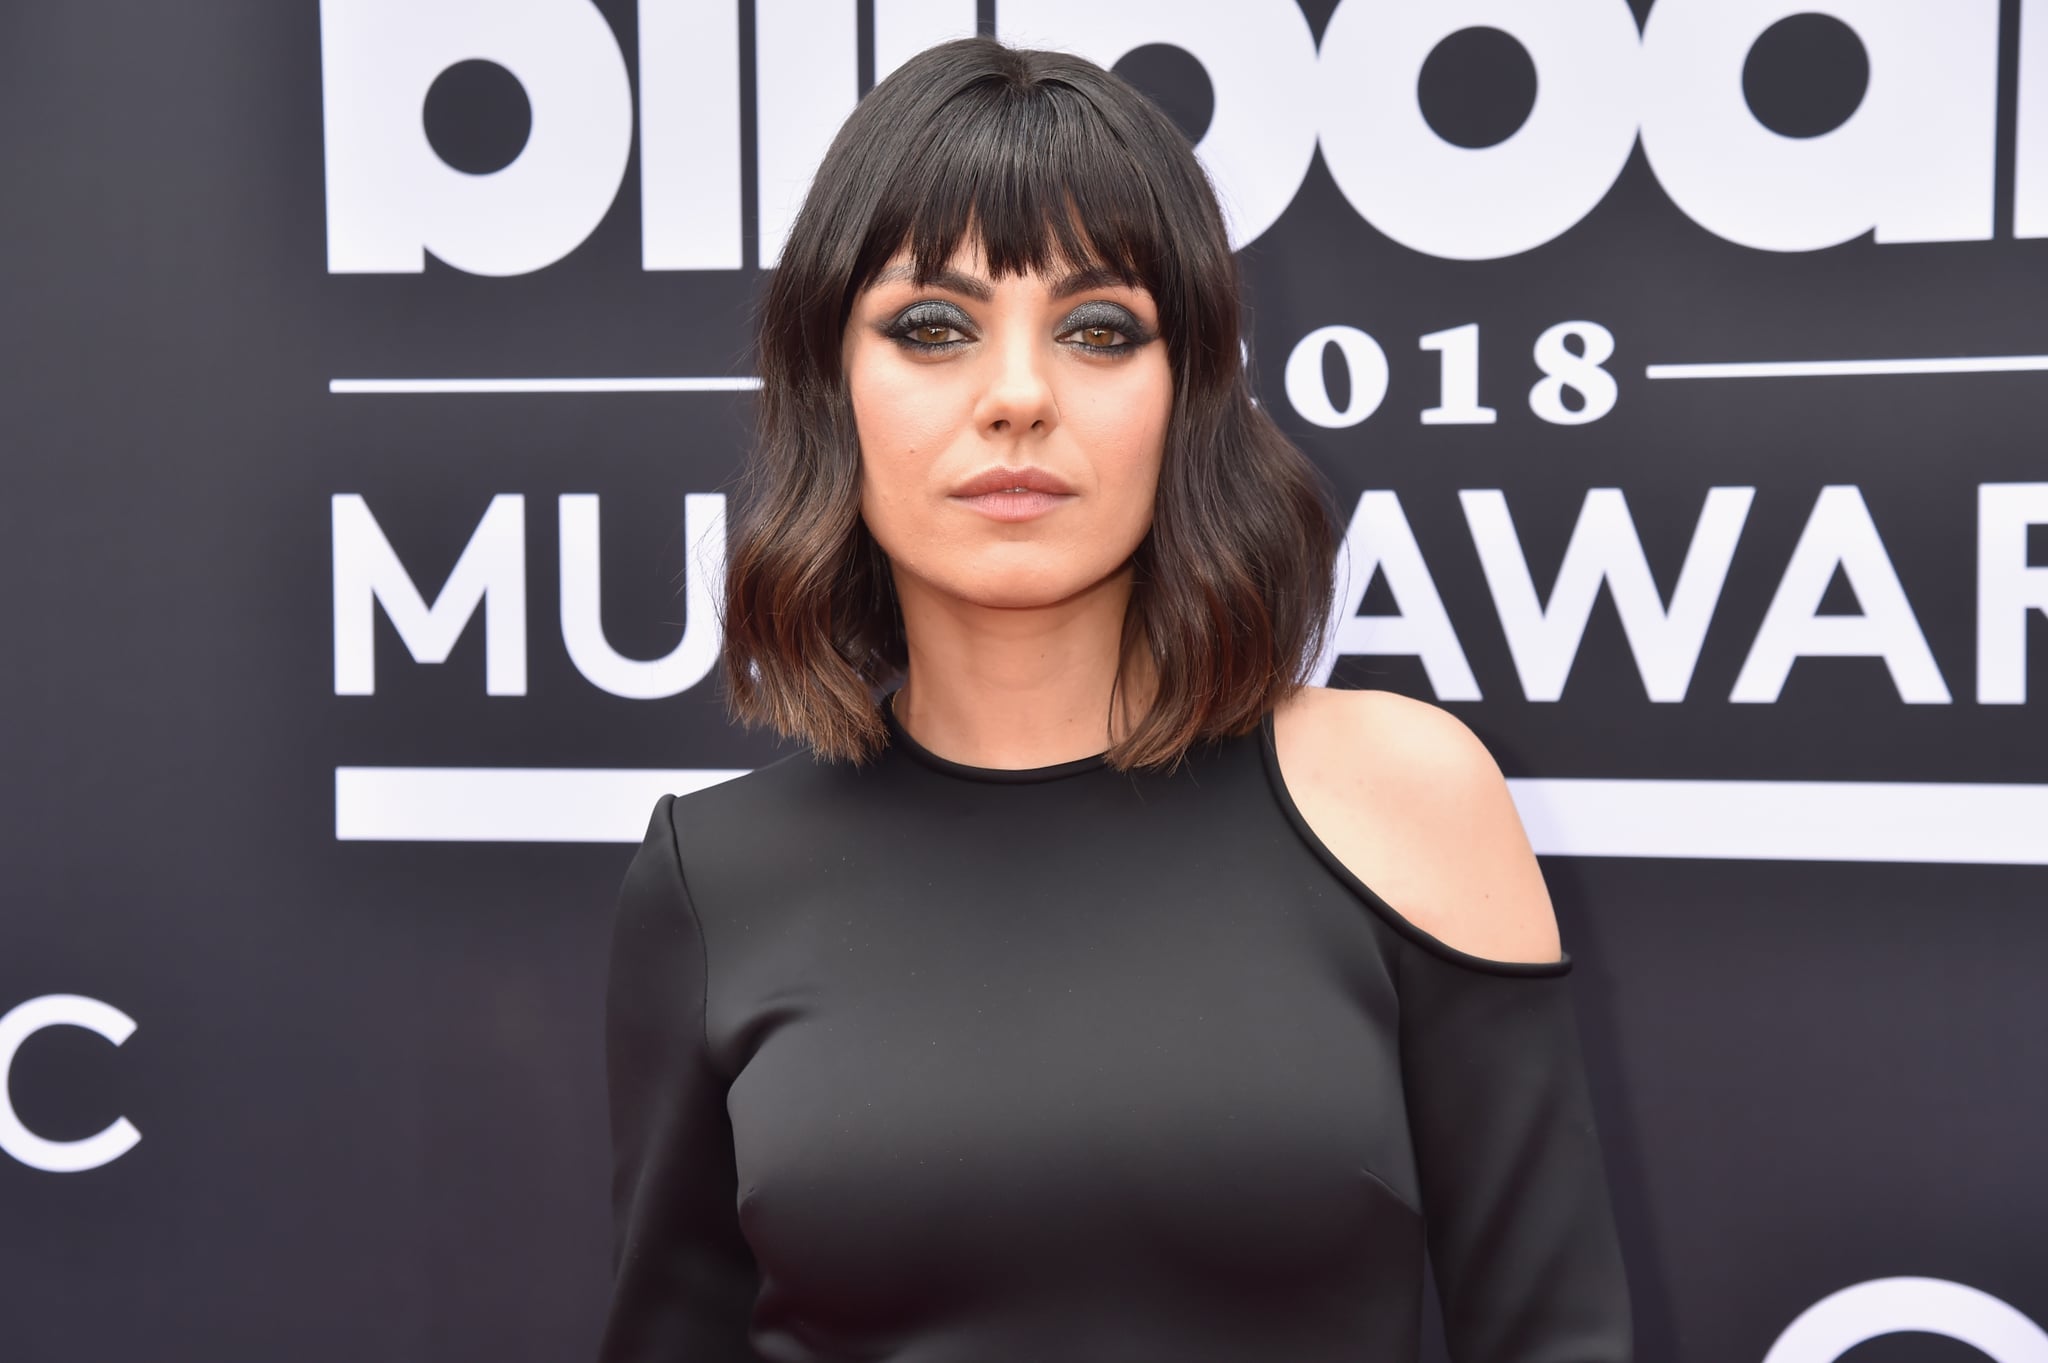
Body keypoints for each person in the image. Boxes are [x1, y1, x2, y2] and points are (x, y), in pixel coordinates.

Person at [597, 35, 1633, 1363]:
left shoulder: (1402, 802)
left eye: (1099, 330)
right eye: (932, 327)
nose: (1018, 397)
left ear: (1189, 392)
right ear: (830, 388)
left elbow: (1558, 1338)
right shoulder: (711, 878)